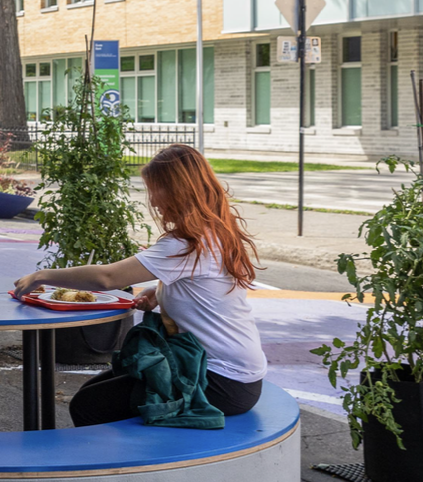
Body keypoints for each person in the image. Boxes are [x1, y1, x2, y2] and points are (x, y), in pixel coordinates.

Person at [14, 144, 266, 423]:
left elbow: (107, 278)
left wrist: (41, 276)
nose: (154, 201)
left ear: (177, 191)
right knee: (91, 391)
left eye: (155, 189)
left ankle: (123, 465)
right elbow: (203, 287)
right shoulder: (215, 232)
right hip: (234, 372)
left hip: (221, 380)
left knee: (89, 405)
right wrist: (161, 292)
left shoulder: (186, 244)